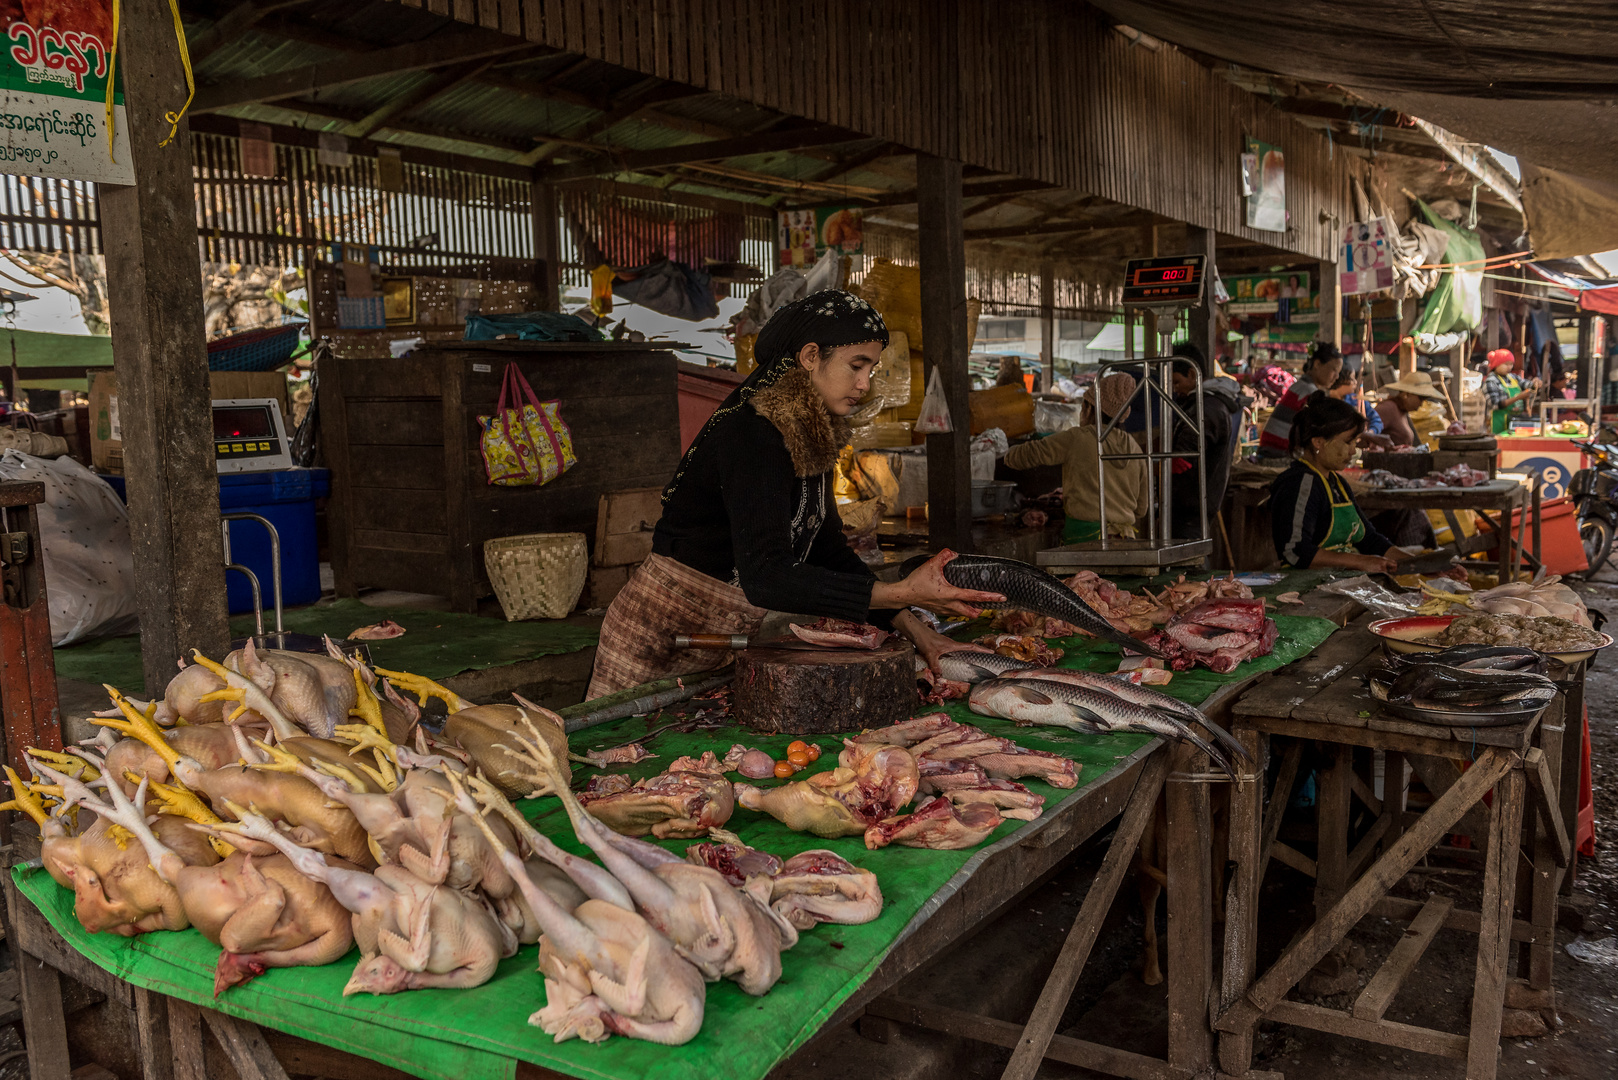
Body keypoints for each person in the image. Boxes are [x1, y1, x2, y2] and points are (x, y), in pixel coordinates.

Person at [588, 290, 1003, 698]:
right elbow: (768, 577)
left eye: (871, 369)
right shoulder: (754, 433)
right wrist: (903, 591)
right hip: (656, 635)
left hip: (719, 635)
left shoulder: (810, 431)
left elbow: (828, 551)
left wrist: (921, 634)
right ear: (809, 357)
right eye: (856, 365)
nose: (864, 383)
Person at [1270, 393, 1414, 573]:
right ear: (1318, 442)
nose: (1354, 451)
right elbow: (1295, 551)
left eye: (1355, 442)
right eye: (1348, 442)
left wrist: (1424, 565)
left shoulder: (1338, 484)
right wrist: (1359, 561)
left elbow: (1369, 539)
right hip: (1304, 589)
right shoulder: (1300, 484)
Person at [1004, 371, 1147, 543]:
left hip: (1086, 539)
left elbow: (1024, 455)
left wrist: (1006, 453)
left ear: (1089, 408)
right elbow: (1141, 509)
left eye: (1083, 407)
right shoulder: (1134, 447)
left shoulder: (1078, 437)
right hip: (1124, 539)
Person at [1167, 347, 1239, 539]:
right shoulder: (1204, 405)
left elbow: (1184, 459)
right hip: (1193, 504)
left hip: (1191, 506)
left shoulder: (1206, 410)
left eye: (1176, 382)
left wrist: (1153, 464)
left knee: (1191, 560)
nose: (1175, 389)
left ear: (1192, 374)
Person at [1257, 342, 1344, 458]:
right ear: (1317, 364)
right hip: (1278, 452)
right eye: (1334, 370)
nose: (1337, 377)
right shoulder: (1309, 391)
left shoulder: (1300, 386)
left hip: (1270, 449)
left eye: (1338, 372)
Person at [1373, 370, 1449, 447]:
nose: (1421, 404)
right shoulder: (1388, 408)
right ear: (1407, 394)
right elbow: (1368, 434)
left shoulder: (1402, 411)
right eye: (1421, 398)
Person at [1483, 348, 1538, 434]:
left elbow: (1526, 384)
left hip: (1513, 422)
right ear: (1496, 364)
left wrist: (1535, 383)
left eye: (1511, 364)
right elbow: (1496, 404)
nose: (1509, 367)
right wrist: (1518, 397)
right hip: (1497, 423)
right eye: (1506, 364)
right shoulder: (1491, 381)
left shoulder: (1512, 377)